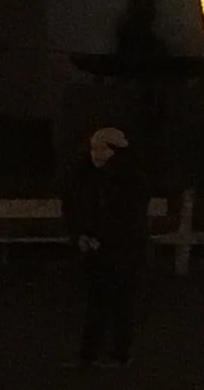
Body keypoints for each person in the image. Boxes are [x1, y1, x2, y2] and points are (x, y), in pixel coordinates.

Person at [66, 126, 149, 366]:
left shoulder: (128, 180)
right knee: (100, 303)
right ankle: (96, 353)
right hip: (106, 248)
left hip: (122, 250)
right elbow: (83, 210)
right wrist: (83, 234)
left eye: (102, 149)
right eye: (94, 149)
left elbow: (126, 218)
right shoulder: (95, 178)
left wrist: (94, 236)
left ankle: (113, 353)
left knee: (118, 303)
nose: (97, 154)